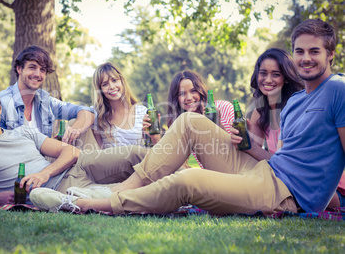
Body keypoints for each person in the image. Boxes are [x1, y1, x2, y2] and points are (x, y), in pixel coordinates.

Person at [30, 18, 345, 215]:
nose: (305, 58)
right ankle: (116, 188)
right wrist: (248, 144)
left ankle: (88, 204)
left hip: (285, 194)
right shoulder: (297, 101)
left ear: (331, 54)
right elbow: (283, 157)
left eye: (314, 51)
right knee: (188, 122)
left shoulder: (338, 89)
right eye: (300, 51)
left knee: (189, 179)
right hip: (266, 168)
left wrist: (322, 197)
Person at [0, 81, 147, 206]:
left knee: (135, 154)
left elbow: (70, 152)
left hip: (79, 166)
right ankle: (169, 191)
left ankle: (178, 175)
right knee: (131, 193)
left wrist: (44, 173)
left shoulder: (23, 131)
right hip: (54, 191)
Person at [231, 47, 344, 208]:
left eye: (276, 74)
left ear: (286, 78)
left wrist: (251, 148)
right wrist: (242, 142)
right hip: (286, 182)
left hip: (326, 189)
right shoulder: (259, 112)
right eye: (263, 73)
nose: (268, 80)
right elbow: (256, 161)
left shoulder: (297, 107)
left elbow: (288, 168)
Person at [0, 45, 96, 145]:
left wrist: (74, 129)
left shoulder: (45, 101)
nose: (37, 74)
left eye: (42, 70)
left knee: (79, 124)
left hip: (45, 159)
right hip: (15, 159)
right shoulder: (2, 102)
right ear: (19, 69)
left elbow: (88, 113)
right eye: (32, 67)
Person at [91, 62, 160, 148]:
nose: (112, 86)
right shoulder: (97, 115)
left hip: (141, 160)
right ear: (100, 90)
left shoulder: (142, 111)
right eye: (105, 84)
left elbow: (156, 150)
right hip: (111, 161)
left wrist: (154, 137)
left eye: (114, 80)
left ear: (122, 82)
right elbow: (99, 154)